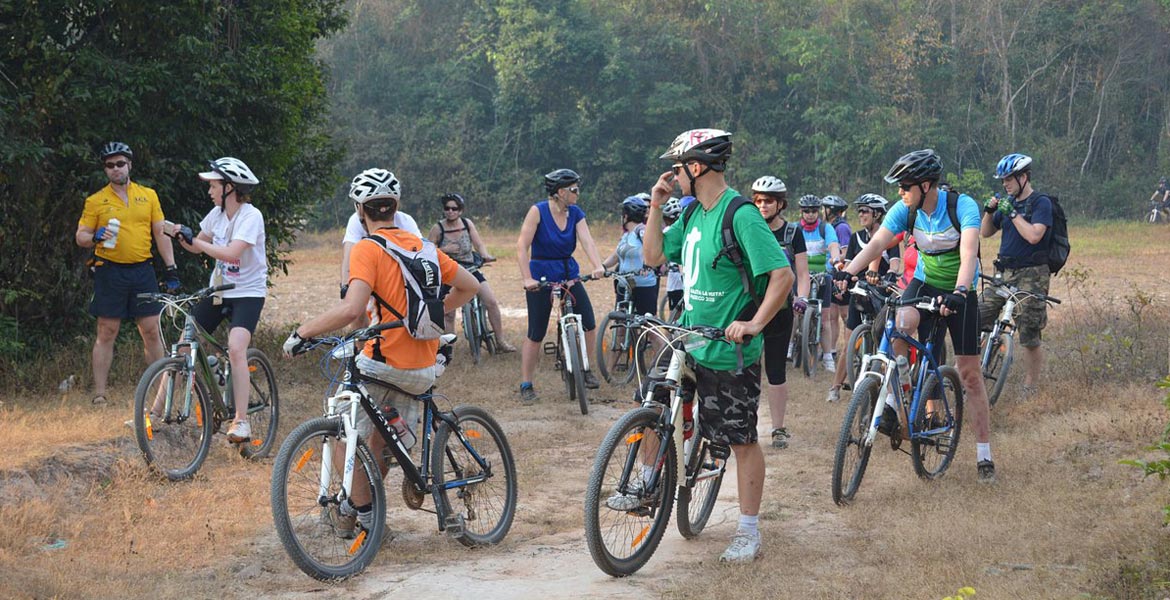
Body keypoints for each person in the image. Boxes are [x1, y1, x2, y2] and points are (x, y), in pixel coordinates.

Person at [284, 167, 480, 536]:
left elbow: (351, 310)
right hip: (422, 366)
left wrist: (302, 333)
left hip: (381, 363)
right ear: (397, 207)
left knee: (345, 436)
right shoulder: (426, 248)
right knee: (382, 443)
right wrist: (428, 318)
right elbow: (470, 288)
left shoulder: (366, 250)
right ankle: (364, 514)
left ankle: (368, 522)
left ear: (361, 211)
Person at [643, 129, 793, 563]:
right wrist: (655, 206)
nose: (672, 174)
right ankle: (646, 483)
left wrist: (753, 323)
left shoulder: (740, 214)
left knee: (742, 439)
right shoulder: (691, 214)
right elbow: (653, 257)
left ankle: (748, 531)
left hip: (731, 350)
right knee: (653, 403)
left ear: (697, 167)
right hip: (689, 338)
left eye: (677, 166)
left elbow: (781, 277)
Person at [833, 148, 997, 483]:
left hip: (959, 289)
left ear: (925, 185)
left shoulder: (960, 206)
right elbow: (877, 244)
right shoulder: (905, 210)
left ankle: (984, 454)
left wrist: (961, 291)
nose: (900, 191)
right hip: (924, 281)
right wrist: (849, 272)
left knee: (969, 374)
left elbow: (969, 255)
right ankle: (896, 398)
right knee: (899, 326)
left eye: (905, 185)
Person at [75, 142, 178, 406]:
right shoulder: (96, 201)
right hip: (110, 271)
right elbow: (81, 236)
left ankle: (161, 395)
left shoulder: (149, 195)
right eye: (109, 165)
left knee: (151, 330)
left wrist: (171, 269)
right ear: (105, 170)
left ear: (130, 164)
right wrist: (95, 236)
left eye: (120, 163)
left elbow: (160, 232)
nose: (115, 169)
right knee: (107, 330)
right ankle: (100, 393)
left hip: (142, 269)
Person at [171, 157, 266, 442]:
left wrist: (198, 243)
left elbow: (231, 253)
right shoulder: (215, 215)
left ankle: (241, 421)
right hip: (219, 291)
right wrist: (181, 235)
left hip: (248, 293)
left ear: (229, 187)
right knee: (184, 344)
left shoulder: (251, 216)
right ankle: (152, 412)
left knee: (237, 348)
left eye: (213, 185)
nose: (209, 191)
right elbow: (197, 248)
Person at [516, 168, 606, 405]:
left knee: (588, 322)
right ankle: (526, 383)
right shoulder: (538, 211)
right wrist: (527, 278)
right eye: (574, 189)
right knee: (536, 332)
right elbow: (522, 245)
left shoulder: (575, 213)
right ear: (560, 192)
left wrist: (597, 265)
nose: (578, 193)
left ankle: (585, 369)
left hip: (568, 274)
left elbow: (587, 240)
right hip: (541, 275)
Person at [980, 153, 1054, 398]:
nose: (1005, 184)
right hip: (1004, 272)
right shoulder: (1007, 202)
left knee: (1029, 332)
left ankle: (1030, 387)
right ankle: (974, 368)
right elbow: (985, 232)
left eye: (1009, 179)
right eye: (1002, 180)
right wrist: (990, 212)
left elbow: (1035, 236)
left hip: (1032, 275)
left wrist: (1013, 213)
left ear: (1024, 177)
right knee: (978, 314)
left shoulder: (1040, 203)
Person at [750, 175, 809, 450]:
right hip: (748, 307)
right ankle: (746, 423)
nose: (763, 205)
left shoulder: (792, 233)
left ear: (780, 203)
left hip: (780, 309)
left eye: (769, 201)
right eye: (758, 200)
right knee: (744, 369)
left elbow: (802, 272)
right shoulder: (746, 227)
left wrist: (802, 297)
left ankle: (777, 428)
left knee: (775, 371)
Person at [826, 193, 901, 402]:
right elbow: (850, 265)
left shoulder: (888, 237)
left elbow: (895, 262)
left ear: (877, 214)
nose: (861, 215)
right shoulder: (855, 237)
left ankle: (887, 388)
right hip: (859, 293)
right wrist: (842, 279)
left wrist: (892, 273)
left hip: (881, 294)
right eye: (859, 211)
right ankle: (835, 387)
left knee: (886, 343)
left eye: (865, 211)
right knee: (849, 343)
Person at [427, 192, 517, 352]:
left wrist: (485, 255)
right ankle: (449, 348)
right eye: (447, 208)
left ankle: (500, 341)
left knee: (491, 302)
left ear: (460, 210)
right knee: (448, 313)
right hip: (448, 272)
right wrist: (444, 249)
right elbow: (427, 251)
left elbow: (478, 244)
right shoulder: (438, 228)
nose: (450, 212)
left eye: (454, 208)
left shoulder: (467, 224)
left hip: (470, 269)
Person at [339, 193, 421, 330]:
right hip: (369, 269)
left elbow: (420, 252)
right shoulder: (356, 221)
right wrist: (345, 286)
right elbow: (348, 255)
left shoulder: (406, 220)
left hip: (398, 269)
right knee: (358, 313)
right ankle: (360, 346)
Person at [796, 194, 842, 372]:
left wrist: (836, 258)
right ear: (801, 212)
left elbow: (833, 245)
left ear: (819, 212)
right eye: (806, 211)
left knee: (826, 318)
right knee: (794, 311)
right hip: (801, 276)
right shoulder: (795, 229)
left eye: (814, 211)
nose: (810, 215)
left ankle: (828, 355)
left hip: (823, 275)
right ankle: (792, 347)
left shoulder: (826, 228)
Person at [601, 196, 658, 317]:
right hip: (624, 285)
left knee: (649, 327)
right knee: (620, 325)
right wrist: (602, 267)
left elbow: (651, 249)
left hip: (643, 285)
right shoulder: (626, 235)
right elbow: (616, 256)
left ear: (626, 216)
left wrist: (646, 266)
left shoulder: (642, 231)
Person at [821, 194, 852, 367]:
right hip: (831, 274)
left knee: (844, 314)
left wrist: (833, 258)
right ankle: (831, 350)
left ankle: (853, 346)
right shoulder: (831, 227)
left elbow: (845, 253)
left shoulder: (841, 228)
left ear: (830, 210)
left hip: (838, 274)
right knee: (832, 315)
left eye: (823, 208)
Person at [660, 197, 685, 315]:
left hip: (674, 282)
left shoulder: (667, 233)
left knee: (674, 315)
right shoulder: (684, 229)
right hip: (686, 279)